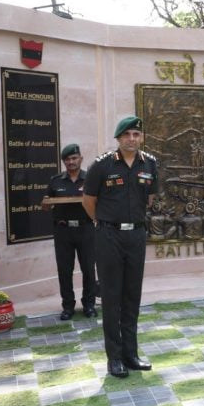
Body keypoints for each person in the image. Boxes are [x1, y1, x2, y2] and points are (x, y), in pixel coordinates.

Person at [83, 116, 159, 379]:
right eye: (127, 134)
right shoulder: (102, 165)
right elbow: (88, 200)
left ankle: (131, 354)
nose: (132, 139)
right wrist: (104, 223)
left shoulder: (149, 164)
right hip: (109, 237)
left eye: (137, 134)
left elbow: (148, 199)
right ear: (118, 139)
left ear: (142, 138)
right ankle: (114, 358)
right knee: (112, 298)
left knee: (132, 297)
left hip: (136, 236)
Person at [43, 143, 97, 320]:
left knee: (88, 269)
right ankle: (68, 307)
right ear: (63, 162)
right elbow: (46, 205)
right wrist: (45, 204)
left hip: (86, 229)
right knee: (64, 271)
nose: (71, 162)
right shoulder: (55, 181)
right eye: (67, 159)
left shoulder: (91, 179)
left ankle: (89, 305)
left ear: (80, 158)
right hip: (63, 231)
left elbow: (101, 202)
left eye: (74, 158)